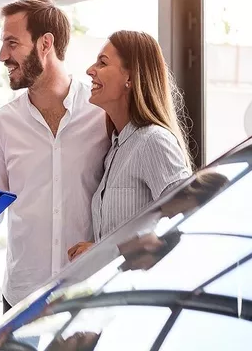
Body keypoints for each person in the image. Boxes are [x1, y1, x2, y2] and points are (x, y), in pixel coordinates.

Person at [0, 0, 110, 314]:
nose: (2, 56)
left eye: (12, 43)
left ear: (44, 43)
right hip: (21, 296)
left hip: (87, 292)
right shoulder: (2, 123)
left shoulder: (101, 115)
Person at [68, 30, 192, 261]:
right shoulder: (115, 147)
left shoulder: (153, 141)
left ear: (131, 78)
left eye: (102, 63)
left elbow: (186, 223)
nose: (89, 70)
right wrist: (100, 248)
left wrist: (104, 250)